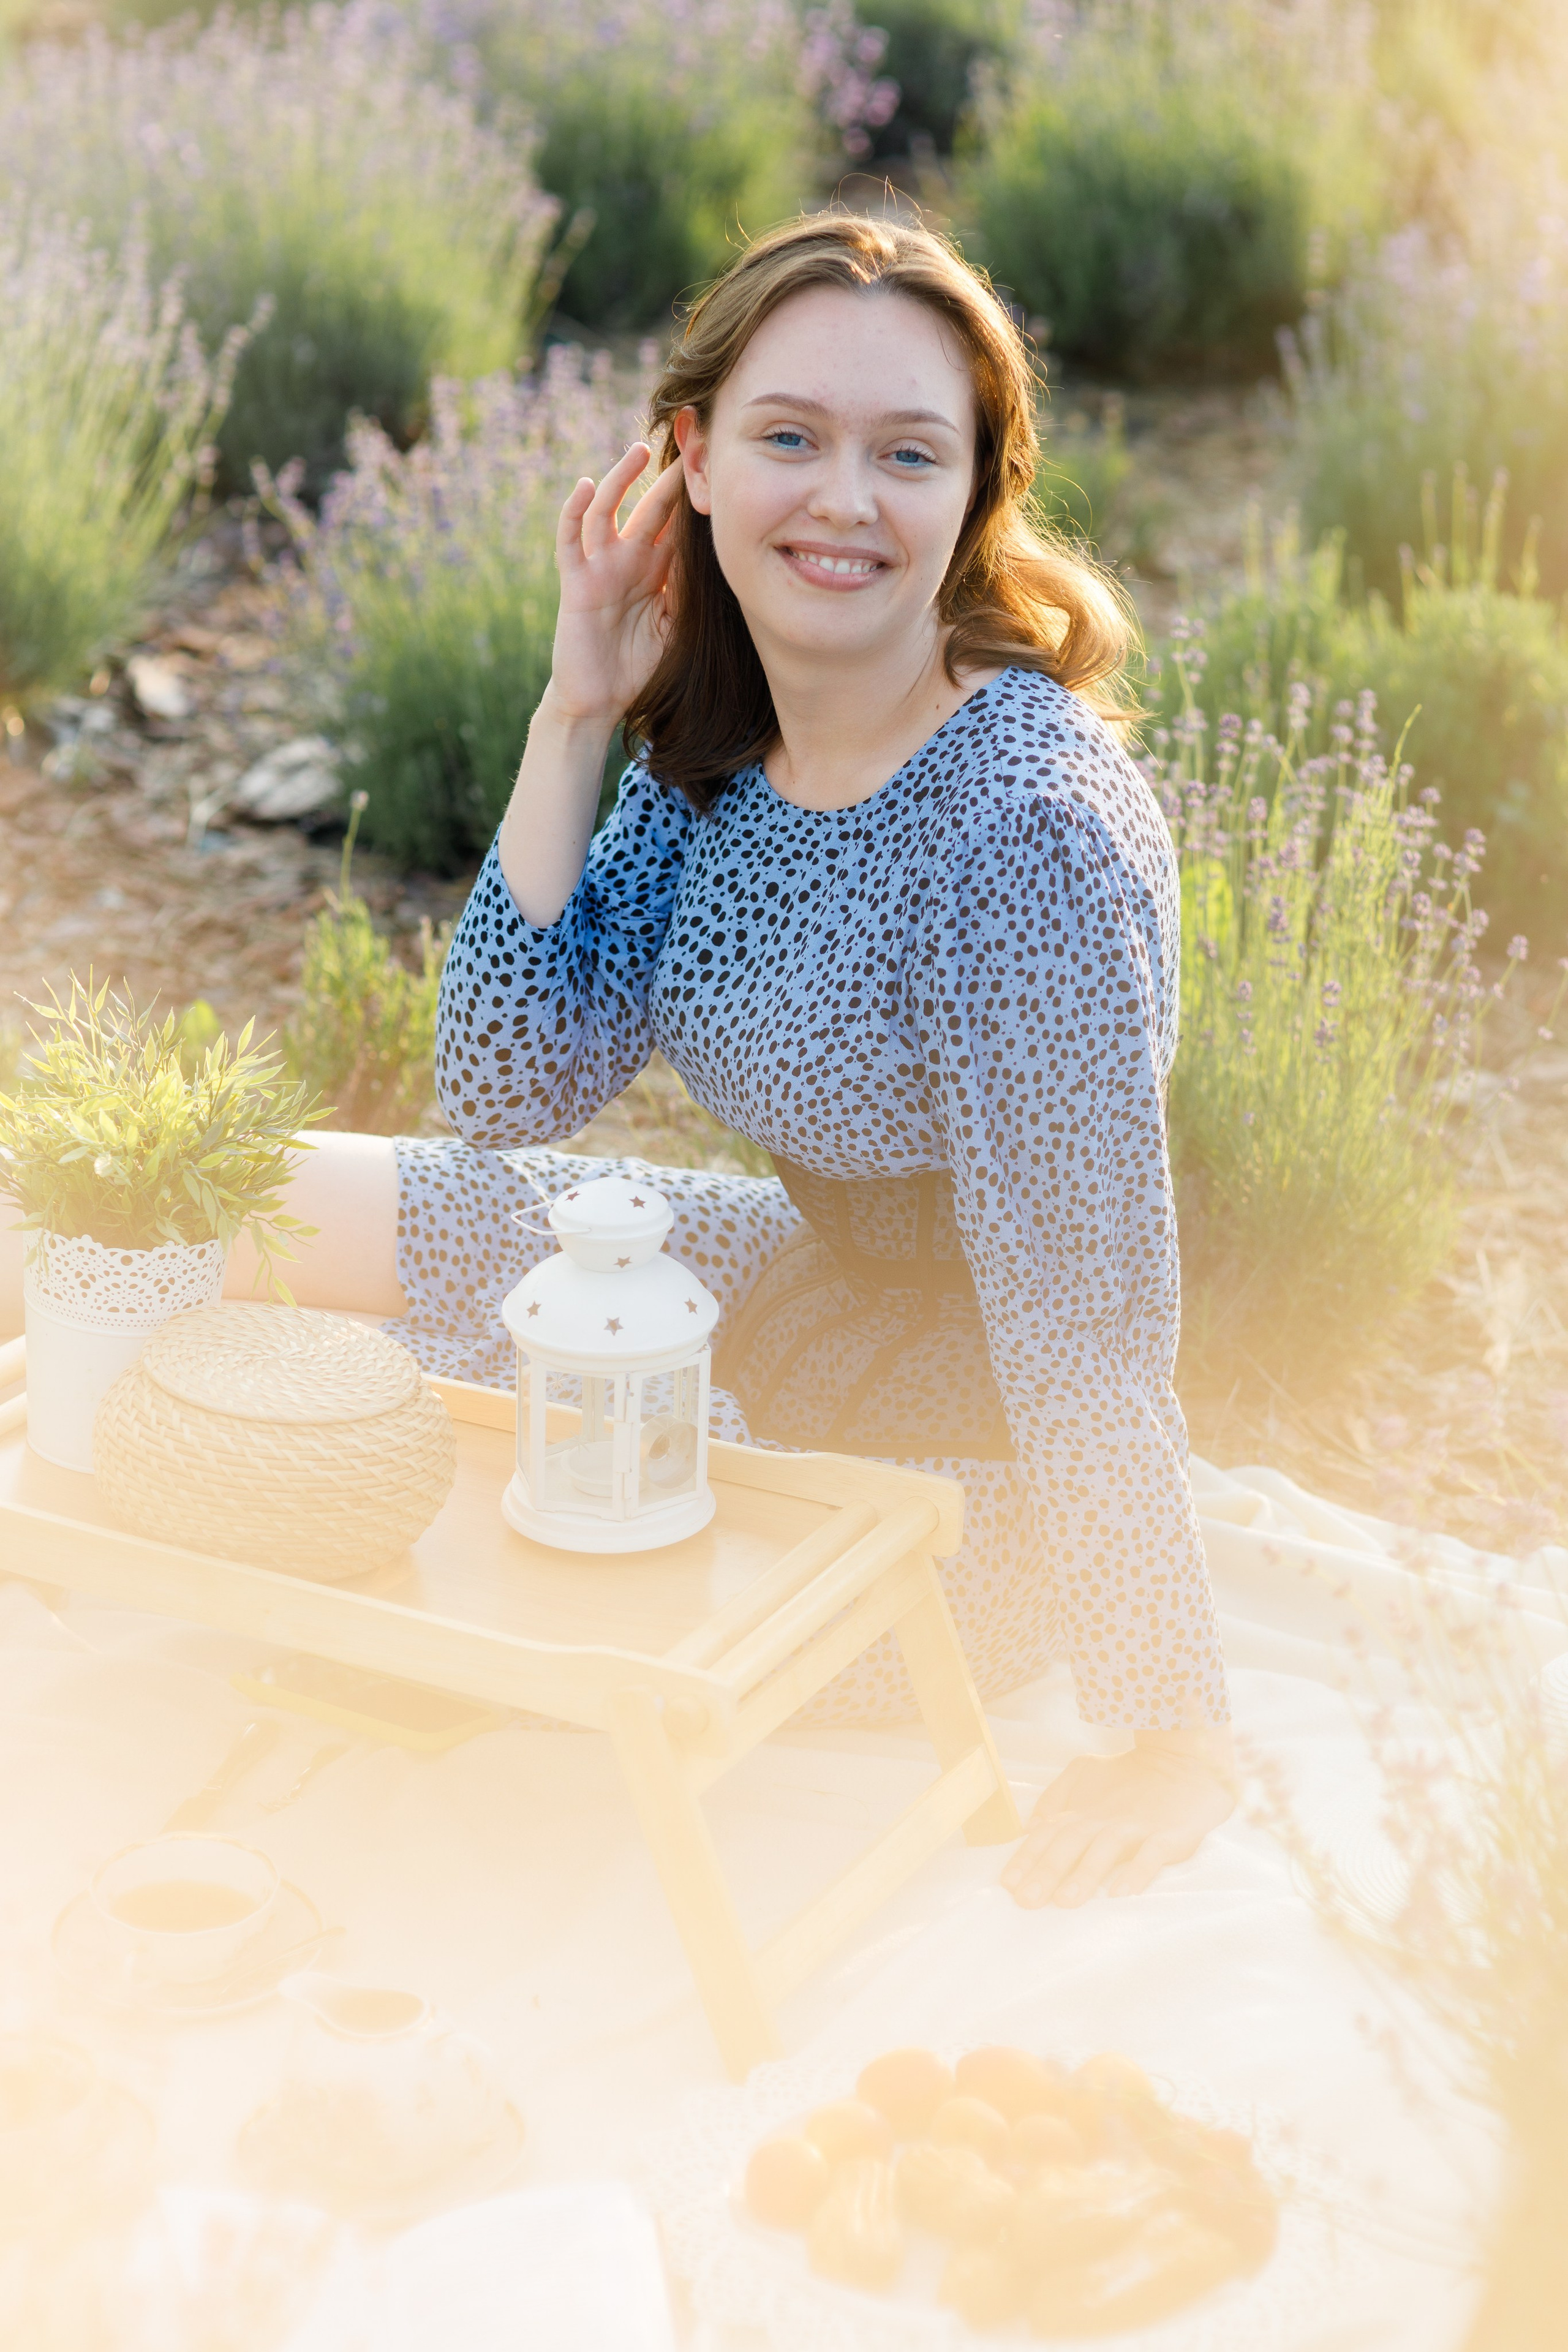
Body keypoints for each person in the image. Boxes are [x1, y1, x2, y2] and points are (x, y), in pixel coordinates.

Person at [1, 214, 1235, 1907]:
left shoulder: (1025, 832)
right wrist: (575, 709)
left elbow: (1088, 1314)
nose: (845, 498)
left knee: (452, 1473)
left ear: (975, 492)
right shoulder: (718, 739)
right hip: (802, 1280)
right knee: (240, 1207)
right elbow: (506, 1090)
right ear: (691, 461)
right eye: (790, 436)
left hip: (972, 1469)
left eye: (908, 452)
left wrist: (1169, 1722)